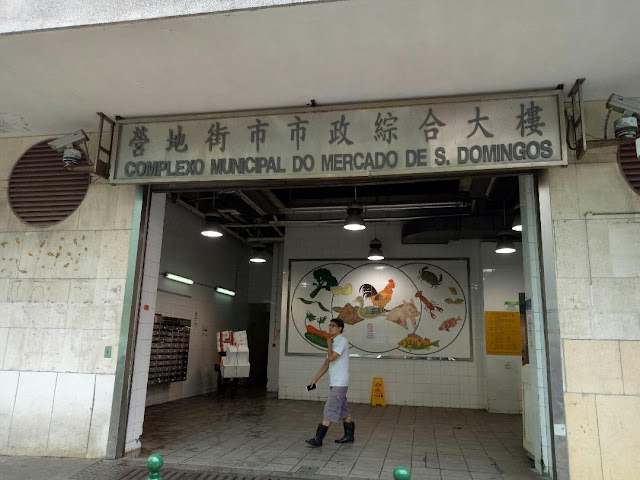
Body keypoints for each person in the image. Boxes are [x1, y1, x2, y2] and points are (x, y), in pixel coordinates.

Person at [306, 318, 355, 447]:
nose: (330, 328)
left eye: (333, 326)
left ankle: (318, 439)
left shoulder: (342, 341)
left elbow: (332, 357)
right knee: (344, 412)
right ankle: (349, 436)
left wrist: (328, 344)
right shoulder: (333, 342)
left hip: (340, 382)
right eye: (330, 325)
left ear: (340, 329)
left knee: (329, 409)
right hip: (336, 383)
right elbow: (326, 363)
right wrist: (315, 379)